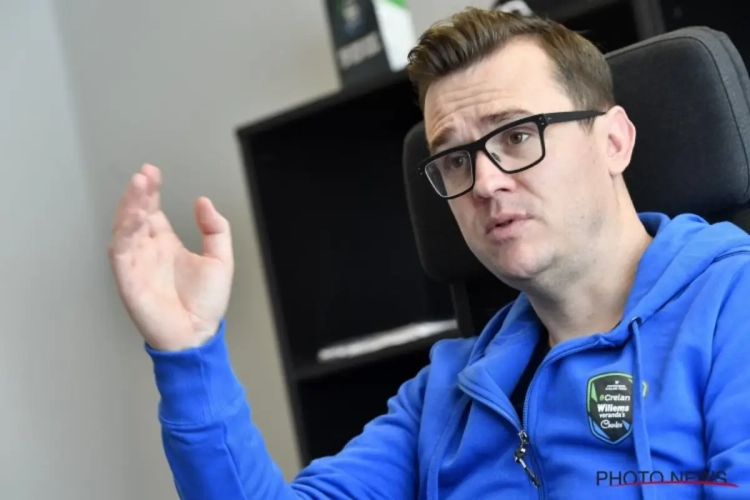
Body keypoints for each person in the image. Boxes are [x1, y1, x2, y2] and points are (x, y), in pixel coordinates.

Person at [109, 7, 750, 500]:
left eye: (517, 135)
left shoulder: (731, 306)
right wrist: (189, 353)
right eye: (456, 159)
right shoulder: (447, 393)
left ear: (612, 141)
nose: (486, 182)